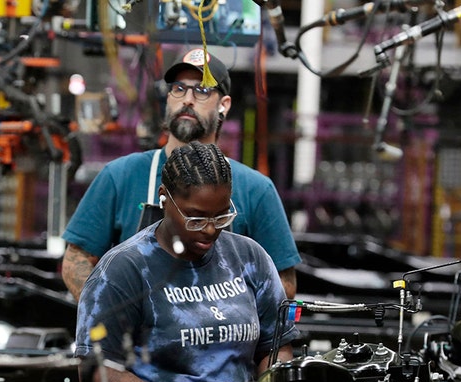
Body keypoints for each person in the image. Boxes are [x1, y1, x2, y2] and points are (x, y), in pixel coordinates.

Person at [74, 141, 298, 382]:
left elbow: (276, 345)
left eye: (221, 216)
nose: (209, 230)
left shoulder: (249, 258)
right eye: (196, 218)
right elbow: (94, 375)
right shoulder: (123, 271)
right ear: (164, 198)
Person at [62, 48, 300, 301]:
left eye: (202, 90)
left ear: (224, 105)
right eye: (179, 88)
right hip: (138, 337)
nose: (188, 99)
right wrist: (111, 312)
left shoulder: (256, 190)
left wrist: (234, 316)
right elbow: (76, 259)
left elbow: (283, 281)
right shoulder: (120, 176)